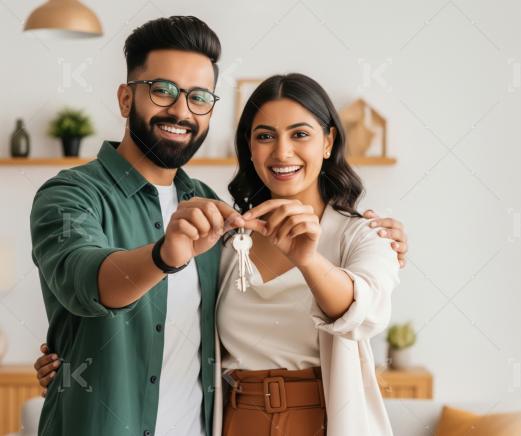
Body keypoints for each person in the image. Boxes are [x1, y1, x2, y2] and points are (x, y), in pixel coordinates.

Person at [30, 16, 407, 436]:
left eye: (198, 97)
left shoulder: (215, 214)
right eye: (162, 90)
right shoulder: (70, 194)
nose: (180, 110)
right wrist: (161, 257)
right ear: (124, 99)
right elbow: (83, 277)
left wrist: (371, 244)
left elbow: (359, 306)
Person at [212, 73, 399, 435]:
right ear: (250, 148)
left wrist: (308, 259)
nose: (282, 152)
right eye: (265, 136)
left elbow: (364, 311)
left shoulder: (364, 235)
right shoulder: (228, 241)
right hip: (238, 419)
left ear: (328, 142)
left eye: (300, 134)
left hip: (322, 420)